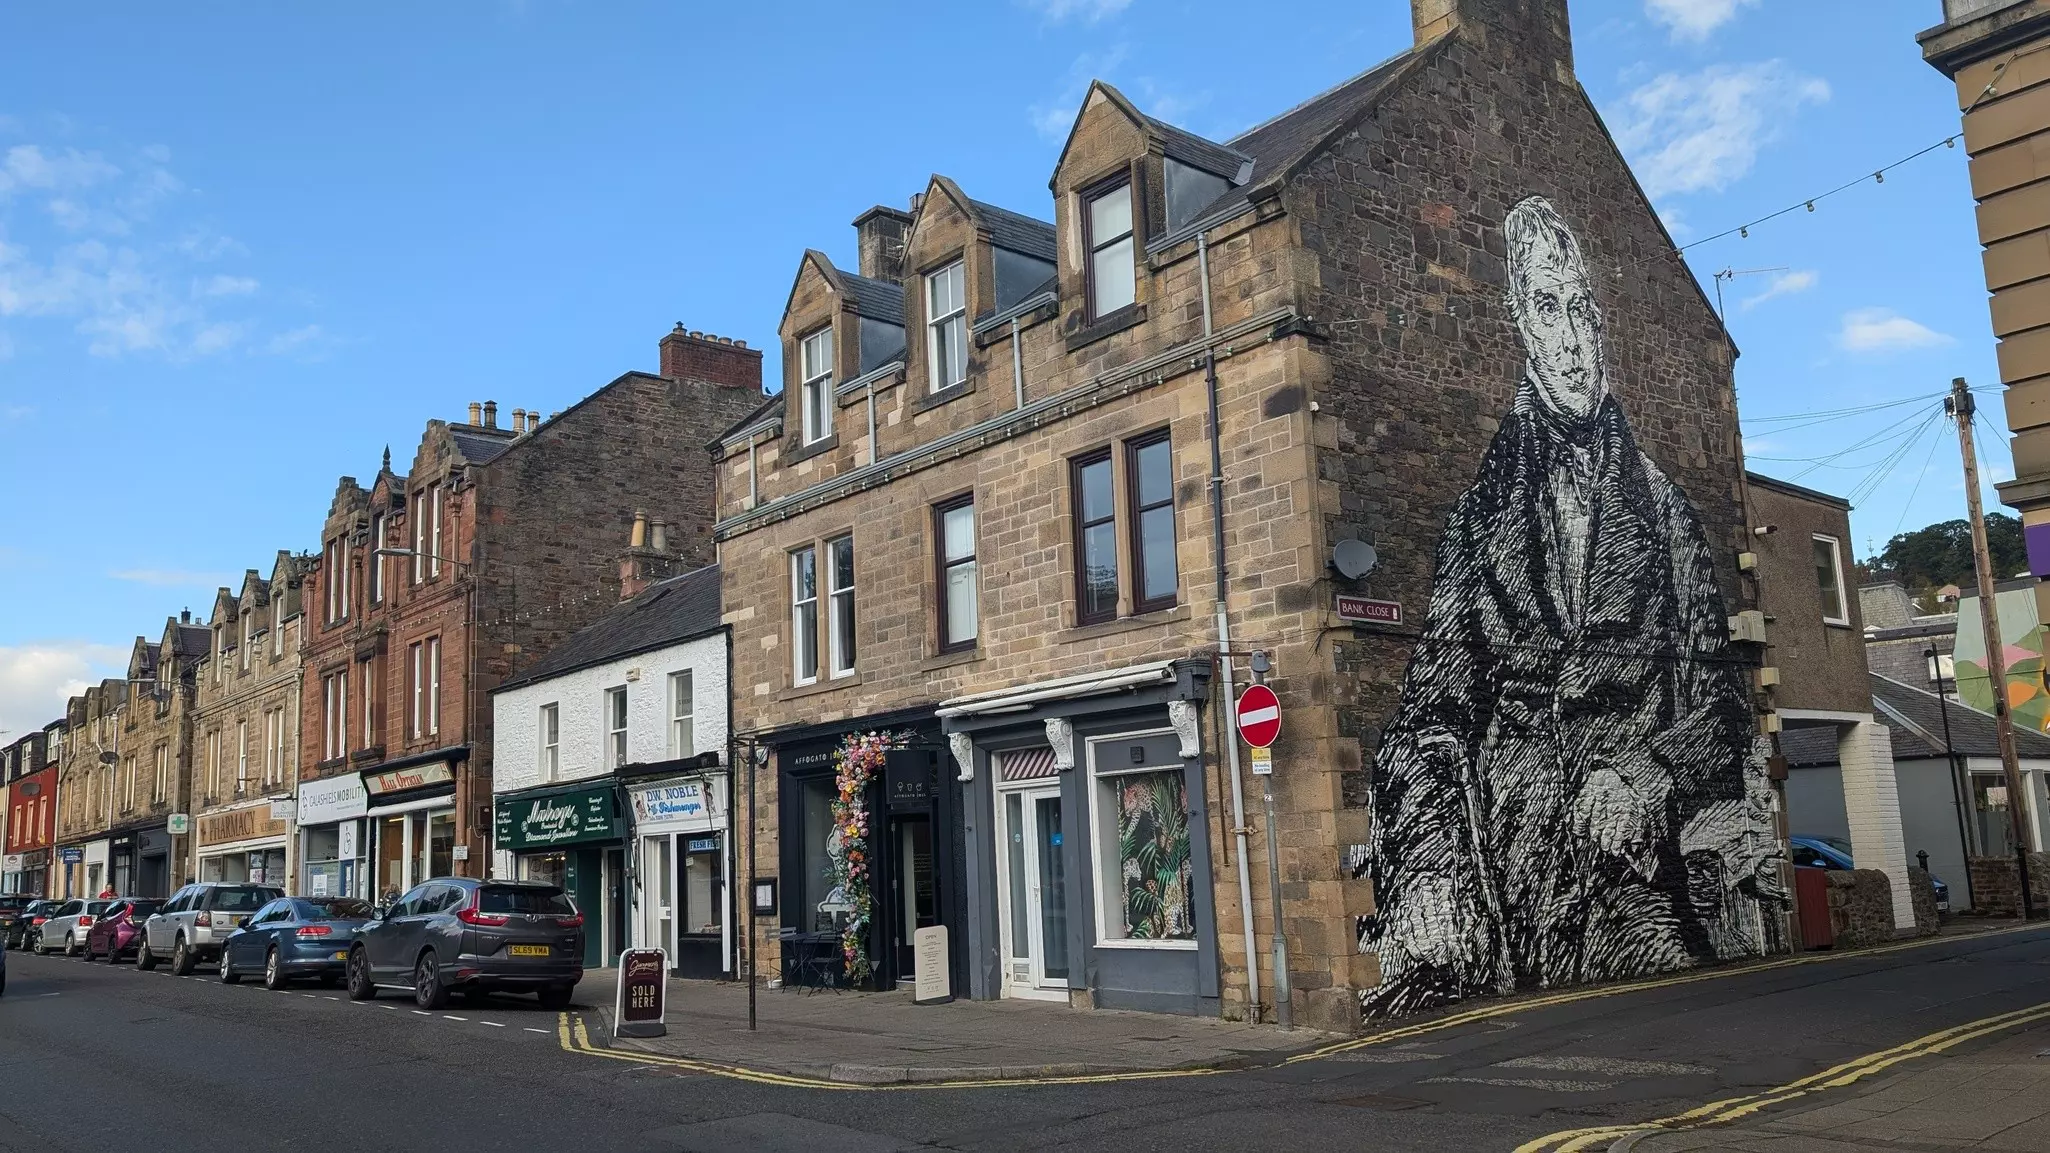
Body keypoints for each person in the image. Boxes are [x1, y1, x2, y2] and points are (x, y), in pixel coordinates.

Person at [1361, 195, 1783, 1017]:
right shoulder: (1483, 508)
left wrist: (1646, 769)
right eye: (1549, 309)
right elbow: (1428, 714)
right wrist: (1427, 870)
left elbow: (1727, 703)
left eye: (1582, 309)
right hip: (1508, 885)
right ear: (1521, 319)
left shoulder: (1664, 510)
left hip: (1636, 875)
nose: (1573, 339)